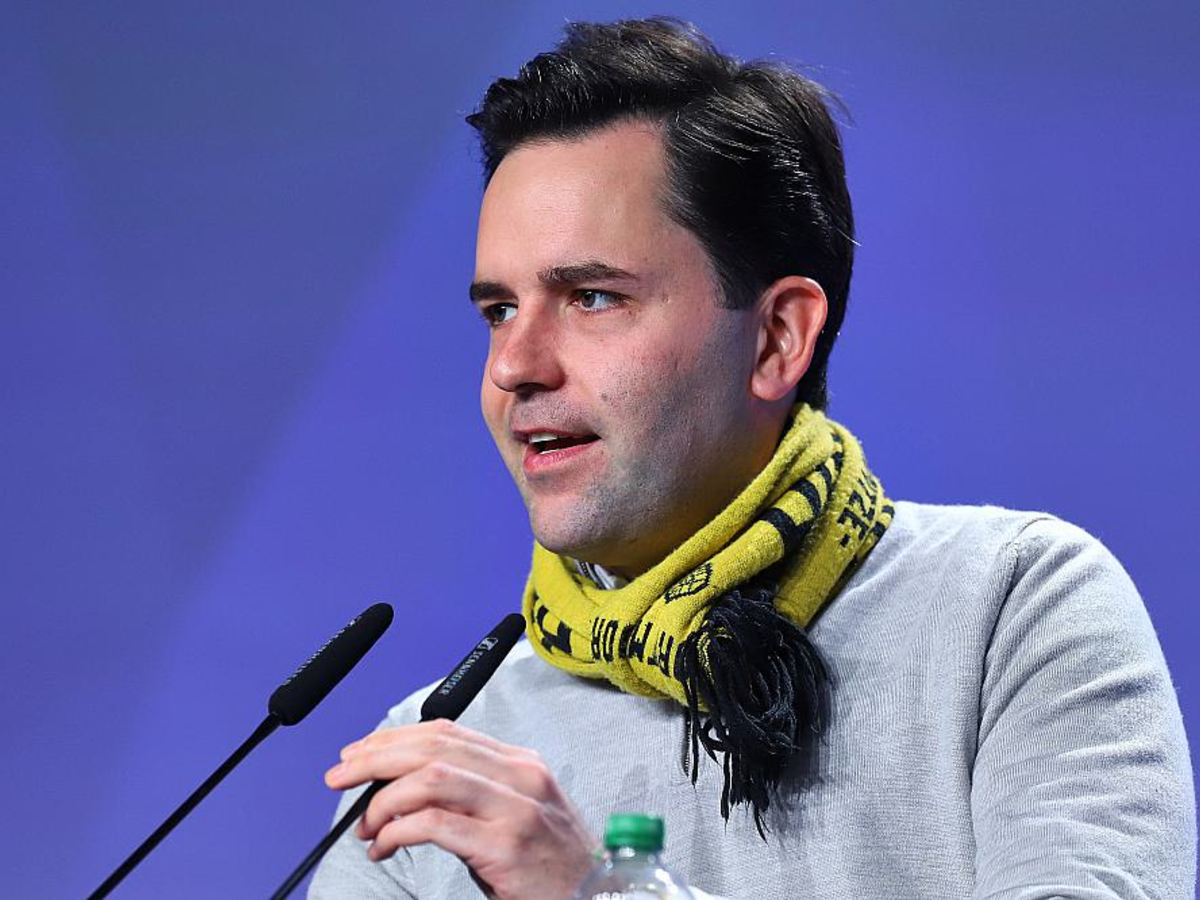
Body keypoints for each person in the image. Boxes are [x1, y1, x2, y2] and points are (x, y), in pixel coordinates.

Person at [309, 18, 1195, 899]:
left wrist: (599, 894)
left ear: (776, 338)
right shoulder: (433, 767)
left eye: (592, 297)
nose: (514, 367)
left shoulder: (1013, 606)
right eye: (499, 310)